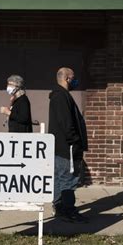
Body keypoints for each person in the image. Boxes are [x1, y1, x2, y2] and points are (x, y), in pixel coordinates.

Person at [48, 67, 88, 223]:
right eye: (73, 77)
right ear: (67, 78)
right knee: (67, 179)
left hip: (62, 147)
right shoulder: (61, 97)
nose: (75, 80)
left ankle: (59, 208)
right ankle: (68, 210)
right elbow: (66, 123)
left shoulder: (61, 96)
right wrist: (75, 141)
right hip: (67, 148)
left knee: (59, 178)